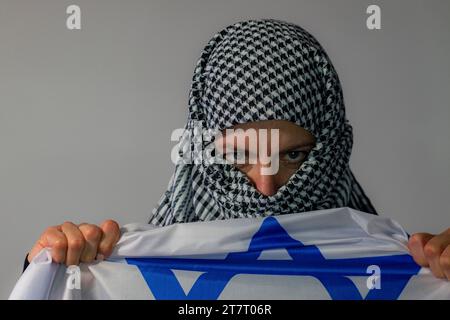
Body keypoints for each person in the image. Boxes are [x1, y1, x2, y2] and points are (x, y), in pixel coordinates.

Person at [26, 19, 450, 280]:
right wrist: (49, 273)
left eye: (294, 156)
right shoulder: (121, 271)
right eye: (237, 157)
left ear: (333, 151)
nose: (267, 187)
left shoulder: (402, 271)